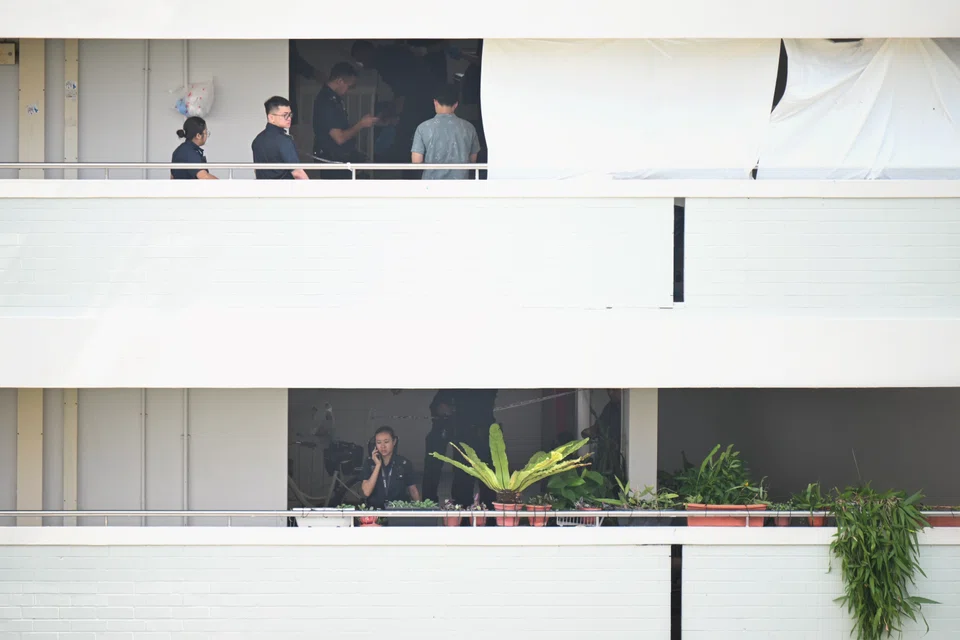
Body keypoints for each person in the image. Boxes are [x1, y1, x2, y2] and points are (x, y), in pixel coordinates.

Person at [312, 62, 378, 180]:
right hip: (333, 161)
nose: (349, 90)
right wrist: (361, 124)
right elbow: (339, 138)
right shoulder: (327, 102)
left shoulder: (334, 99)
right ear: (340, 81)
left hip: (339, 158)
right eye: (349, 86)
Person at [411, 84, 480, 180]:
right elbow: (473, 160)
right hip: (460, 184)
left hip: (431, 185)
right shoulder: (469, 128)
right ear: (456, 104)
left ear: (435, 102)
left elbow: (416, 161)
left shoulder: (423, 128)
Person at [360, 426, 420, 509]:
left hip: (398, 510)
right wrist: (377, 465)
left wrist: (420, 509)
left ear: (394, 442)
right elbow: (366, 492)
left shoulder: (404, 463)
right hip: (375, 510)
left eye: (386, 442)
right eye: (379, 442)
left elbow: (413, 490)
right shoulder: (369, 462)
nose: (383, 446)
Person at [251, 96, 309, 180]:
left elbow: (256, 170)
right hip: (284, 187)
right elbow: (298, 173)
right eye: (285, 115)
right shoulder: (284, 141)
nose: (289, 118)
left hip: (262, 187)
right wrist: (311, 187)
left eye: (290, 114)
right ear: (271, 117)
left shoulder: (257, 140)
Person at [422, 390, 457, 503]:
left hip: (461, 429)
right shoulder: (445, 391)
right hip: (439, 428)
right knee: (432, 465)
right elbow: (436, 407)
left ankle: (461, 501)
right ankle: (428, 500)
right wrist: (442, 410)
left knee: (463, 466)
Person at [581, 389, 624, 481]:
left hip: (620, 454)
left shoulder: (627, 406)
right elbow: (598, 426)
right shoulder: (610, 407)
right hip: (606, 456)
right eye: (608, 390)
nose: (610, 393)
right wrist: (588, 432)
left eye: (614, 390)